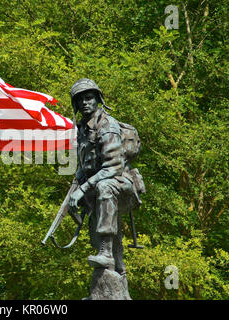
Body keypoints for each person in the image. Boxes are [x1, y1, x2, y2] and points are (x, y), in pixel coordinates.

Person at [68, 78, 144, 274]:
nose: (85, 102)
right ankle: (118, 268)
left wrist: (84, 188)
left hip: (120, 183)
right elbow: (85, 163)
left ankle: (107, 253)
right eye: (80, 100)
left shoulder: (107, 126)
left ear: (97, 99)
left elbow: (113, 166)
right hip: (98, 183)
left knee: (105, 187)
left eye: (89, 98)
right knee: (98, 227)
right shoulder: (82, 128)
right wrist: (76, 186)